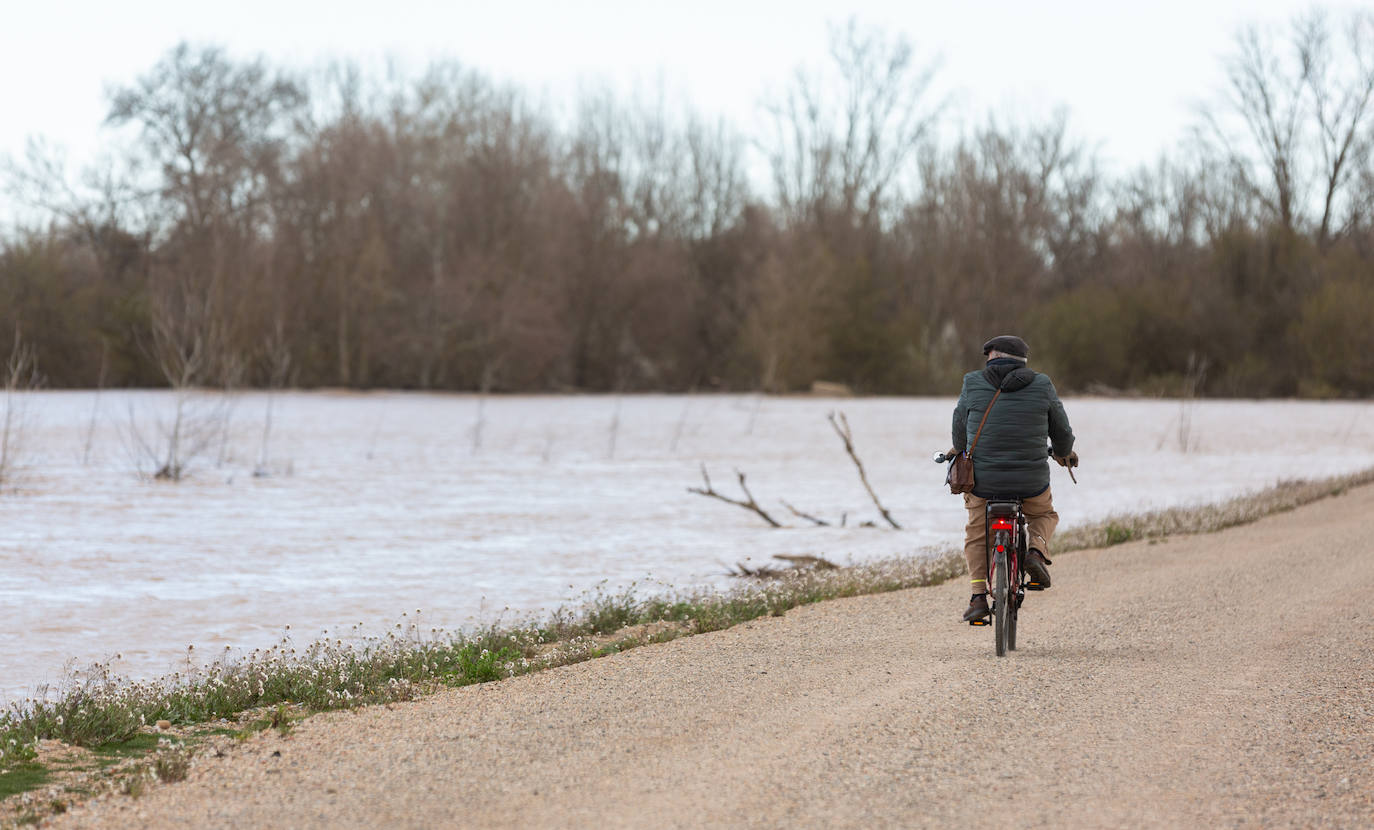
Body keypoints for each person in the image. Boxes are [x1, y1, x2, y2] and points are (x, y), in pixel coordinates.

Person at [949, 335, 1077, 622]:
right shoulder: (1042, 384)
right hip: (1030, 481)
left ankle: (978, 596)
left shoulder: (972, 382)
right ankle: (1035, 550)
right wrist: (1063, 453)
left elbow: (959, 431)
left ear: (992, 357)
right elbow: (1062, 432)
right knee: (1044, 513)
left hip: (983, 482)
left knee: (976, 530)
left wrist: (960, 449)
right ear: (1023, 361)